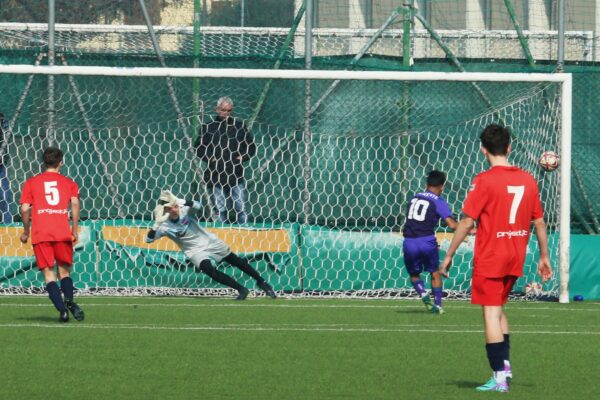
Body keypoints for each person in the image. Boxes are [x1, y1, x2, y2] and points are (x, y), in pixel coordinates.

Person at [439, 124, 552, 393]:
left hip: (491, 256)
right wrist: (544, 256)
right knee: (498, 309)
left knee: (490, 313)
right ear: (509, 148)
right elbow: (539, 220)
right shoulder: (527, 179)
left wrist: (449, 255)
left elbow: (467, 221)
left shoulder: (484, 180)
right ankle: (506, 367)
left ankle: (500, 377)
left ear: (483, 149)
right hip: (515, 255)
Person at [146, 189, 276, 300]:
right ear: (165, 210)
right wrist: (156, 225)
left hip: (209, 241)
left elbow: (198, 205)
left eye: (175, 206)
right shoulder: (163, 226)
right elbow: (148, 239)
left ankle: (262, 282)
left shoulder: (184, 210)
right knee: (209, 270)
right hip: (194, 251)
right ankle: (241, 289)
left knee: (235, 260)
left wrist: (184, 201)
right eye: (170, 208)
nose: (174, 210)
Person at [19, 147, 85, 323]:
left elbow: (25, 209)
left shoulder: (31, 182)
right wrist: (74, 229)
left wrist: (26, 231)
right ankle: (69, 301)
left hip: (41, 234)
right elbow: (75, 204)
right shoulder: (69, 183)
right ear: (60, 162)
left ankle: (62, 310)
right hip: (62, 233)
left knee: (49, 275)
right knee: (64, 273)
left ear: (43, 162)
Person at [402, 170, 466, 314]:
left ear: (427, 184)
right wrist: (467, 228)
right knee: (435, 272)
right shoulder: (438, 201)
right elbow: (451, 224)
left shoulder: (414, 198)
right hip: (427, 240)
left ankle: (424, 296)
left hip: (409, 241)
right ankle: (438, 306)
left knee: (414, 274)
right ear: (442, 186)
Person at [195, 97, 256, 224]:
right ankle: (221, 231)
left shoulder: (239, 126)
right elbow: (199, 148)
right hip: (216, 173)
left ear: (232, 110)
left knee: (240, 206)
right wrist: (210, 158)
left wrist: (242, 157)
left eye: (228, 111)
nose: (225, 113)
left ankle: (244, 232)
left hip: (235, 172)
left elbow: (251, 147)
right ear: (217, 110)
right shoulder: (209, 127)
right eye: (223, 110)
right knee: (220, 207)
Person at [0, 112, 13, 223]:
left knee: (4, 196)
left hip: (0, 165)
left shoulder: (4, 123)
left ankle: (7, 223)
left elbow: (6, 146)